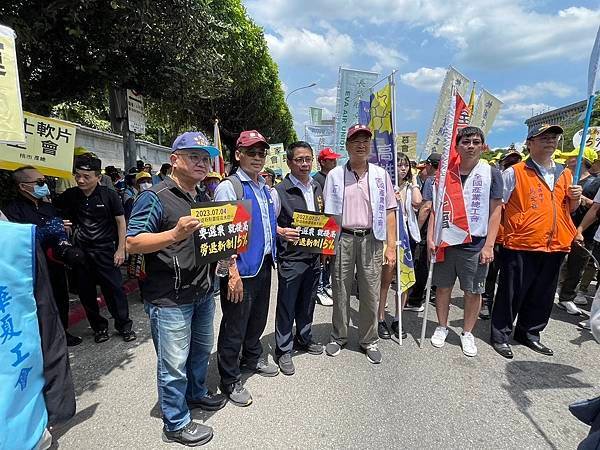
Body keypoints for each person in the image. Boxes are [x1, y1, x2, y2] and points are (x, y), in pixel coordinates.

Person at [126, 131, 224, 446]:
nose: (201, 163)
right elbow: (133, 243)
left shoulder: (204, 198)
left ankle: (196, 394)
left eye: (205, 158)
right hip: (169, 299)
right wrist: (173, 234)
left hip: (203, 293)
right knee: (173, 365)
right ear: (174, 160)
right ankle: (175, 423)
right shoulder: (154, 196)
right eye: (194, 156)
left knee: (198, 354)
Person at [491, 124, 582, 359]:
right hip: (521, 242)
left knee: (542, 294)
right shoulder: (515, 172)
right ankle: (501, 335)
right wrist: (497, 239)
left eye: (553, 137)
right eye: (543, 137)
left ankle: (529, 333)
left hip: (555, 244)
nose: (549, 141)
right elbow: (499, 206)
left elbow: (568, 210)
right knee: (512, 292)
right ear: (530, 143)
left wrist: (576, 199)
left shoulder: (565, 173)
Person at [214, 129, 279, 406]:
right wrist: (232, 272)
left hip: (262, 265)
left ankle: (252, 357)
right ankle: (229, 378)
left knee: (257, 319)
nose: (258, 157)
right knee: (234, 326)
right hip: (239, 270)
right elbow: (222, 236)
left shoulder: (263, 187)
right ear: (238, 154)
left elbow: (264, 225)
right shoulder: (230, 187)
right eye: (251, 152)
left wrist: (280, 234)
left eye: (261, 152)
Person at [323, 124, 397, 364]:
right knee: (340, 288)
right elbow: (328, 214)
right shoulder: (334, 175)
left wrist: (391, 246)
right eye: (356, 140)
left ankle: (369, 339)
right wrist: (326, 245)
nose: (361, 144)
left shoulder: (380, 175)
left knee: (370, 291)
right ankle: (339, 336)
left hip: (372, 239)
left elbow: (389, 212)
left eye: (365, 140)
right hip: (342, 238)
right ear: (347, 146)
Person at [427, 127, 503, 357]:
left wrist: (489, 244)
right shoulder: (446, 173)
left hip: (475, 243)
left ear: (483, 146)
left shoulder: (491, 172)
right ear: (457, 146)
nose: (471, 146)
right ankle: (441, 326)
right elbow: (436, 210)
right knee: (443, 287)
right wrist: (431, 237)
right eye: (466, 141)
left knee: (473, 291)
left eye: (476, 142)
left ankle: (467, 332)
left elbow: (496, 210)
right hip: (447, 241)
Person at [54, 155, 136, 344]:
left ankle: (124, 326)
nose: (81, 180)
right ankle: (99, 328)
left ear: (98, 177)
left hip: (106, 251)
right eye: (78, 175)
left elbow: (121, 221)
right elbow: (53, 211)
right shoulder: (71, 195)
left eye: (86, 176)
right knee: (86, 293)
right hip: (81, 254)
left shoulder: (109, 195)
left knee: (115, 291)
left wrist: (121, 249)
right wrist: (60, 223)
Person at [3, 166, 83, 346]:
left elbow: (59, 230)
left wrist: (64, 231)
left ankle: (62, 332)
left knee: (60, 297)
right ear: (23, 186)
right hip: (30, 266)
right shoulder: (12, 211)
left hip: (54, 262)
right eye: (39, 182)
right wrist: (45, 231)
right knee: (39, 302)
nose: (44, 185)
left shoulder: (48, 207)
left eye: (44, 181)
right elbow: (15, 239)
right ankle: (41, 339)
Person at [270, 141, 325, 376]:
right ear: (289, 162)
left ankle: (304, 336)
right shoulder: (278, 192)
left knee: (308, 300)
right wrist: (281, 232)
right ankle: (283, 349)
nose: (304, 164)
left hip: (314, 255)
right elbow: (267, 224)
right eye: (299, 159)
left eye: (308, 159)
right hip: (291, 259)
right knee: (287, 303)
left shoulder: (316, 187)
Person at [378, 153, 422, 340]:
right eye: (399, 165)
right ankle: (380, 317)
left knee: (404, 279)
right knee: (386, 278)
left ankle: (398, 318)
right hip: (388, 238)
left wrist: (413, 182)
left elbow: (418, 202)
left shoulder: (410, 187)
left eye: (405, 166)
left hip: (406, 238)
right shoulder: (385, 186)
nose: (403, 168)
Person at [556, 147, 600, 315]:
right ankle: (551, 288)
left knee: (577, 265)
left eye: (572, 157)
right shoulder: (564, 177)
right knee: (555, 262)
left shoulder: (596, 181)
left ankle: (567, 297)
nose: (568, 160)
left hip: (584, 231)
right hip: (562, 227)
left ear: (581, 160)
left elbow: (596, 207)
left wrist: (582, 199)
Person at [480, 149, 523, 320]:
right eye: (509, 161)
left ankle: (504, 307)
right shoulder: (500, 178)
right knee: (490, 273)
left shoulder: (523, 176)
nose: (513, 163)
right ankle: (486, 301)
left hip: (515, 237)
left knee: (509, 276)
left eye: (516, 160)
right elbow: (496, 208)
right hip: (497, 235)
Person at [407, 152, 441, 310]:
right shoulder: (450, 180)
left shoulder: (431, 181)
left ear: (429, 165)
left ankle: (415, 300)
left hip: (427, 229)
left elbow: (426, 208)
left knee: (421, 264)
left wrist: (416, 230)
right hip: (441, 229)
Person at [312, 147, 341, 306]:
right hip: (323, 224)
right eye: (331, 159)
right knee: (323, 258)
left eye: (335, 159)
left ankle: (326, 283)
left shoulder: (334, 177)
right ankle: (319, 287)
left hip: (333, 223)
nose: (335, 161)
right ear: (322, 162)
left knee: (330, 258)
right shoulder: (317, 180)